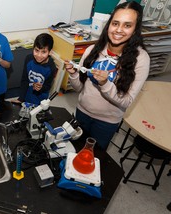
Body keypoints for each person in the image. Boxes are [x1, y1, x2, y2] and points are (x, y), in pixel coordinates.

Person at [64, 1, 150, 150]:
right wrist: (73, 74)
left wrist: (105, 84)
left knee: (94, 157)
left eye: (127, 25)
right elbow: (79, 88)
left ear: (136, 29)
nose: (119, 30)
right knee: (73, 150)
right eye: (115, 23)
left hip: (106, 122)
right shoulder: (92, 50)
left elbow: (127, 101)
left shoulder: (141, 59)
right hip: (82, 112)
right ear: (109, 25)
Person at [11, 33, 57, 105]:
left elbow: (48, 86)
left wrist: (41, 88)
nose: (39, 55)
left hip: (40, 101)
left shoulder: (51, 68)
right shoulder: (29, 59)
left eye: (43, 52)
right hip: (26, 97)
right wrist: (21, 98)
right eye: (37, 50)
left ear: (50, 52)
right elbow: (25, 80)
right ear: (33, 48)